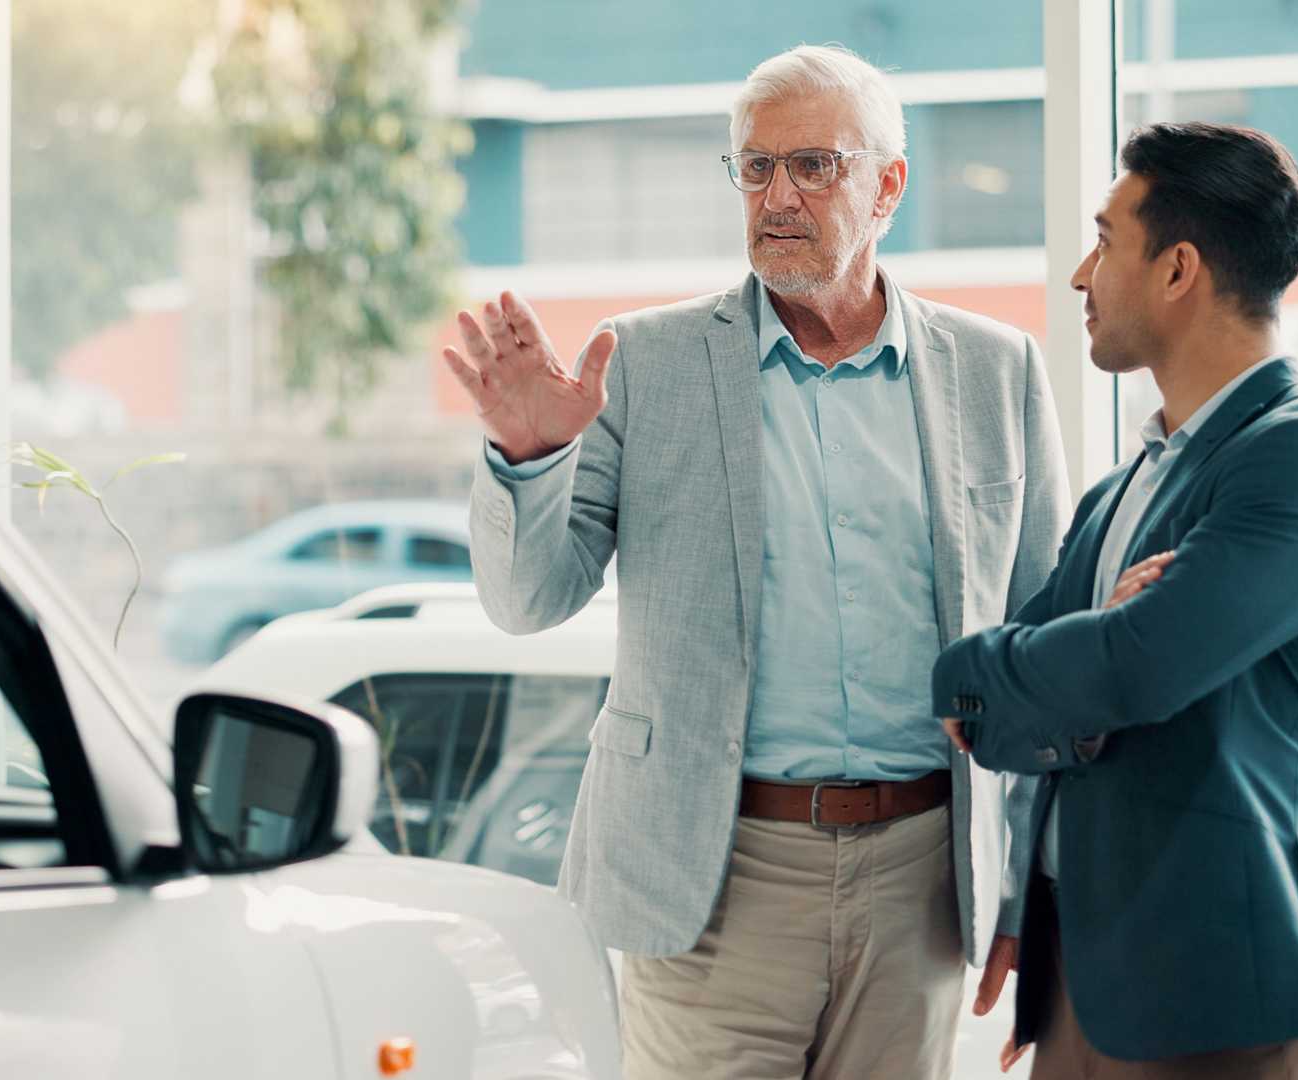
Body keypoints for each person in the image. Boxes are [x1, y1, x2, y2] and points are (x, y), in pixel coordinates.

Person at [442, 43, 1068, 1080]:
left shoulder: (996, 371)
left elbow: (1044, 652)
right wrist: (528, 456)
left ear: (887, 187)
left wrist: (1033, 889)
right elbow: (527, 601)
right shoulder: (642, 363)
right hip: (712, 878)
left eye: (814, 166)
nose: (777, 197)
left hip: (924, 881)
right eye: (756, 167)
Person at [936, 121, 1298, 1079]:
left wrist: (1057, 665)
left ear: (1179, 269)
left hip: (1221, 998)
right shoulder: (1120, 490)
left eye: (1105, 241)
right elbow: (987, 720)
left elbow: (1135, 671)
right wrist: (1065, 659)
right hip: (1080, 991)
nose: (1080, 275)